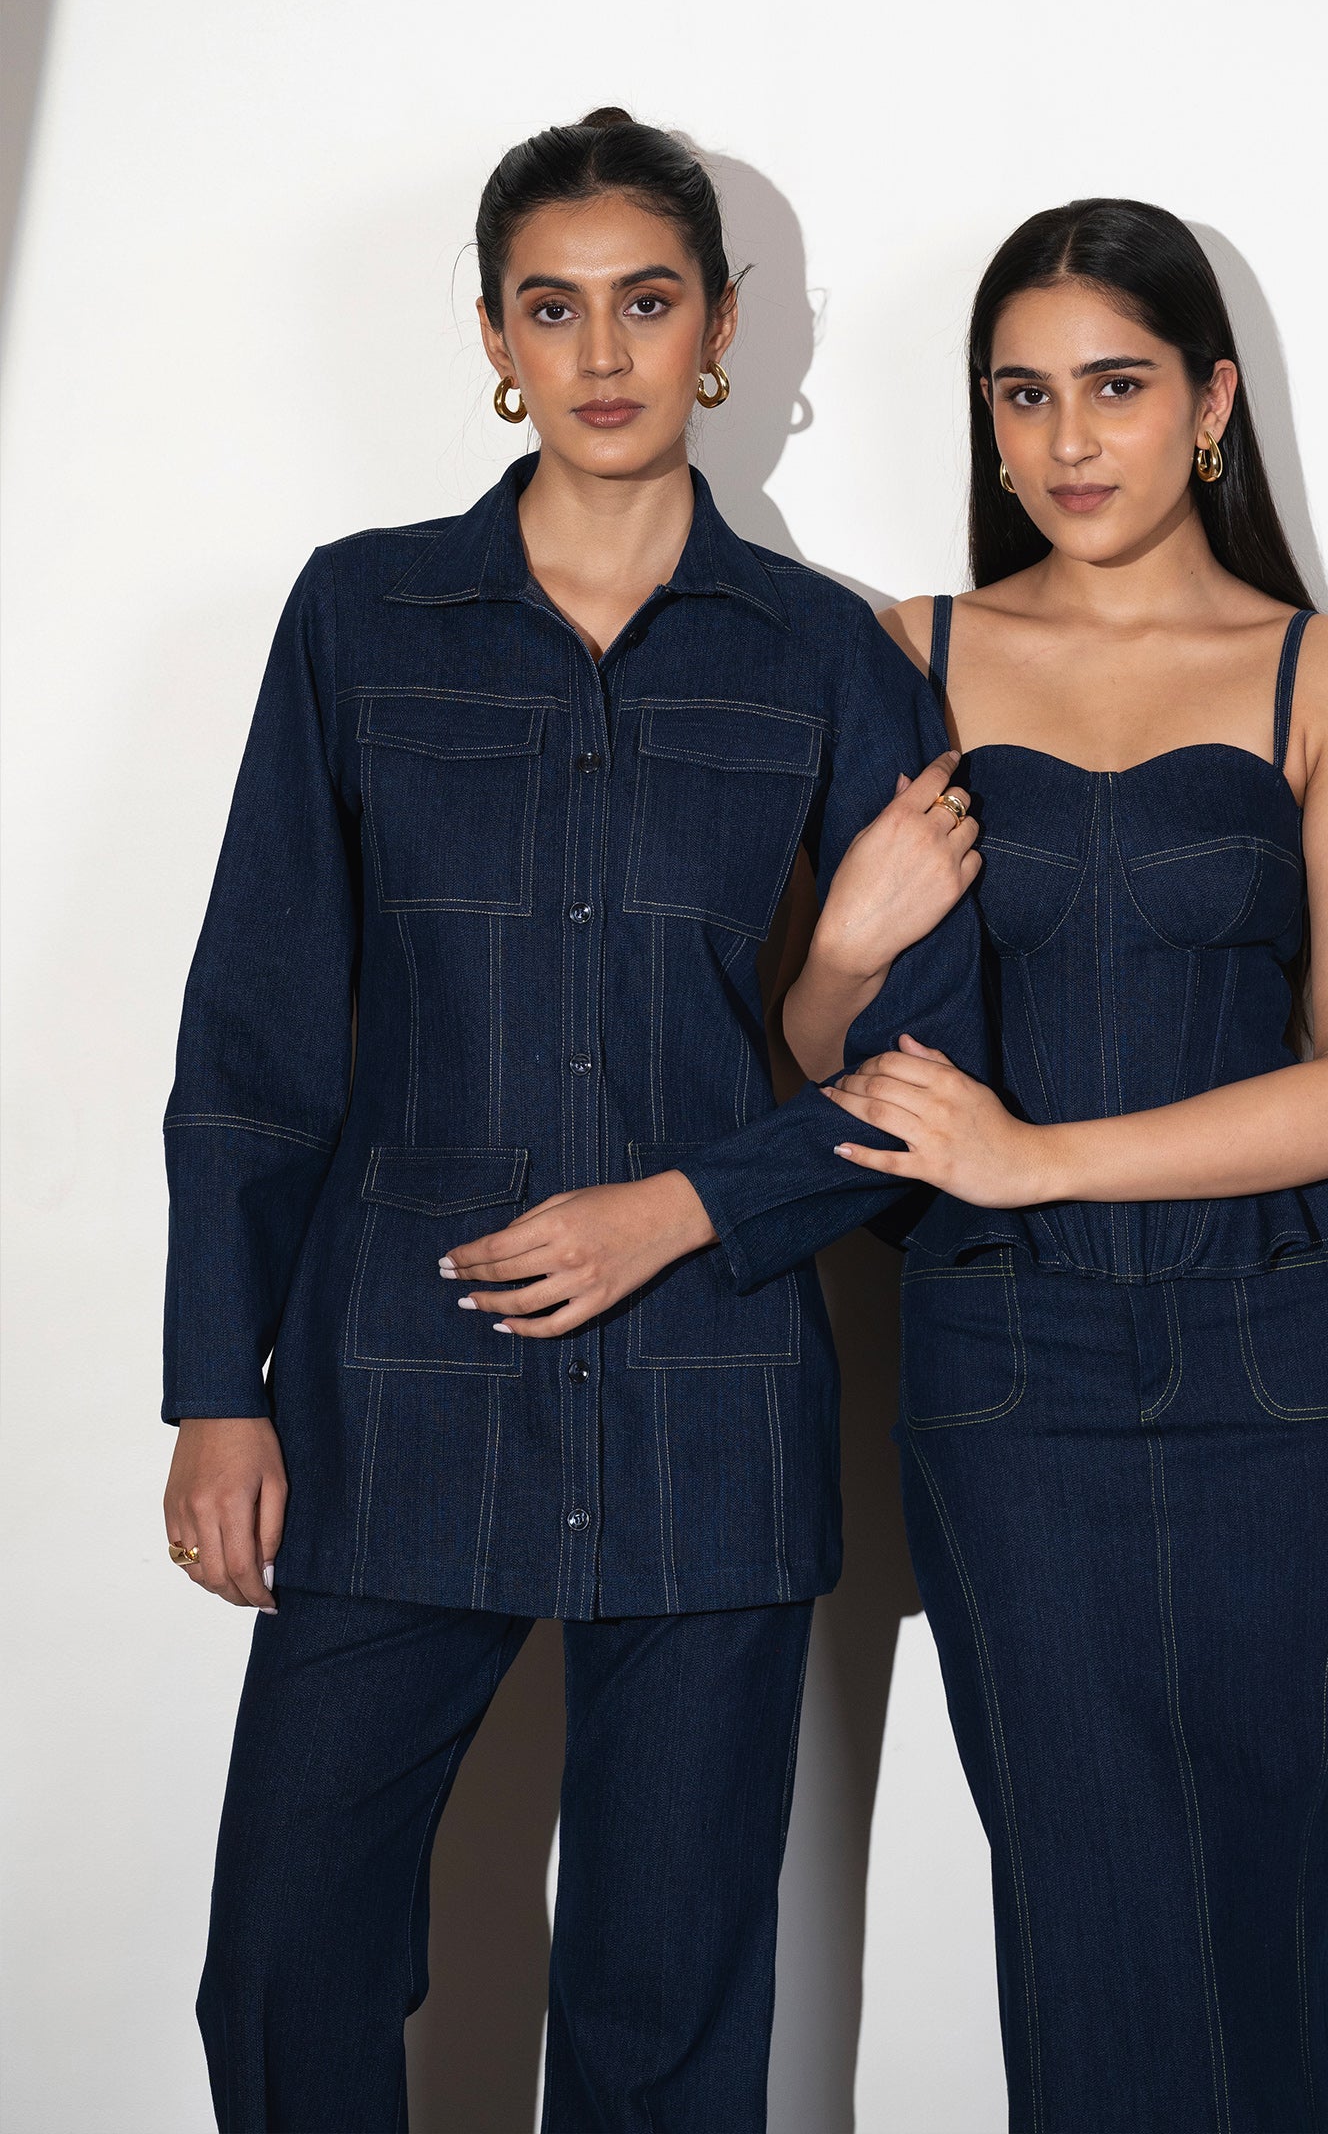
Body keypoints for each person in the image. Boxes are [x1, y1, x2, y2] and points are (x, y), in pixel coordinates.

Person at [160, 109, 985, 2132]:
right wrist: (213, 1391)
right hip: (392, 1383)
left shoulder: (820, 655)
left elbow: (935, 1063)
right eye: (553, 307)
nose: (603, 353)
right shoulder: (362, 619)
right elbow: (257, 1036)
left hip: (712, 1399)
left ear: (720, 330)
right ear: (492, 338)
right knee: (287, 1948)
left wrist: (684, 1205)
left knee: (662, 2000)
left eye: (647, 301)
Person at [783, 199, 1328, 2131]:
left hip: (1292, 1373)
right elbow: (806, 1067)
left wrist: (1034, 1157)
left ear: (1210, 404)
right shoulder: (901, 656)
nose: (1068, 440)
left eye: (1115, 386)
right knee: (1090, 1913)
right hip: (1009, 1383)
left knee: (1290, 1896)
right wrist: (836, 958)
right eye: (1023, 396)